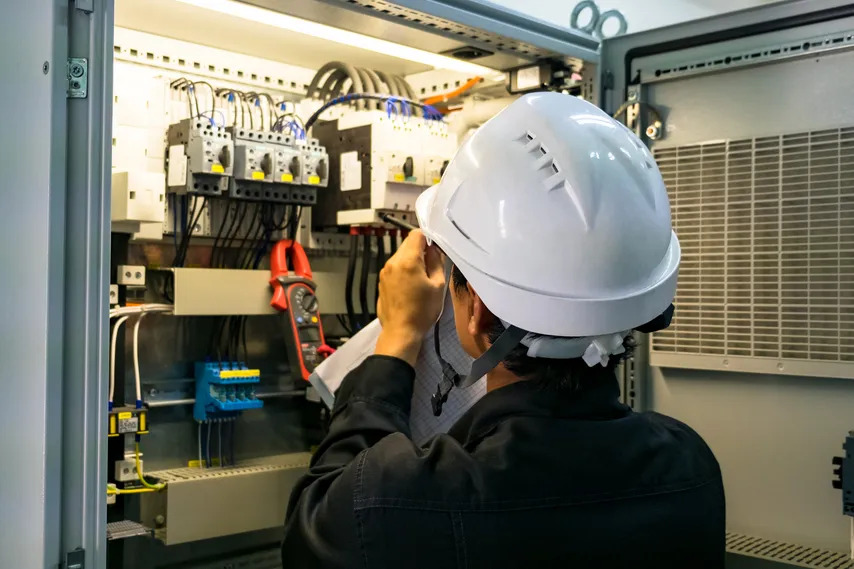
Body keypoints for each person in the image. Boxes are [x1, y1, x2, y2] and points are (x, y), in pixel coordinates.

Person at [281, 92, 724, 568]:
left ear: (479, 313)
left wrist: (396, 341)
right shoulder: (691, 469)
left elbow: (318, 525)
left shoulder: (401, 502)